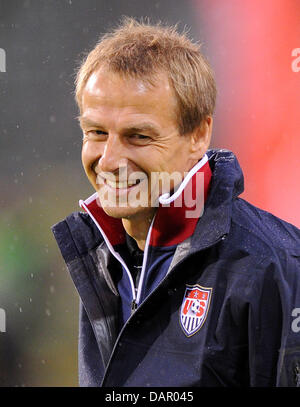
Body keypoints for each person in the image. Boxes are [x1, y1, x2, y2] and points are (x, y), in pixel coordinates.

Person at [52, 18, 300, 387]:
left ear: (199, 134)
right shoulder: (102, 255)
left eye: (138, 136)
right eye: (97, 133)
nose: (109, 160)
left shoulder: (276, 265)